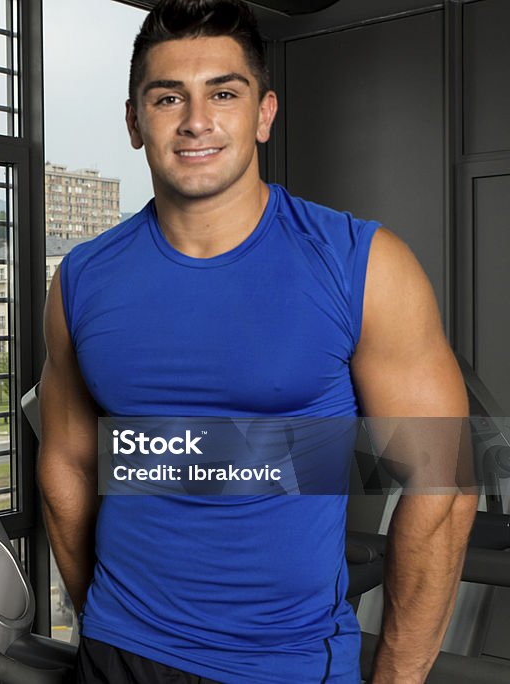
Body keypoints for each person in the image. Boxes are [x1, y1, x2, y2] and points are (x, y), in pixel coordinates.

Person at [37, 1, 477, 682]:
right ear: (134, 121)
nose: (196, 121)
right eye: (166, 97)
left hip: (288, 664)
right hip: (118, 655)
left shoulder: (362, 264)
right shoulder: (82, 279)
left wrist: (396, 674)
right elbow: (68, 464)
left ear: (264, 114)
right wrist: (100, 616)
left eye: (223, 92)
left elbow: (444, 482)